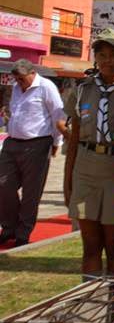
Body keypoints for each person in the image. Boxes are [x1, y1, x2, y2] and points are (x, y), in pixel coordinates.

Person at [63, 30, 114, 277]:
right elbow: (74, 140)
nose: (107, 60)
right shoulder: (83, 90)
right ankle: (91, 302)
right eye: (101, 55)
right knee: (90, 246)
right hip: (85, 169)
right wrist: (68, 182)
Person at [0, 59, 65, 247]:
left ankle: (22, 232)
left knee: (31, 192)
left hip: (37, 144)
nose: (19, 82)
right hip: (12, 142)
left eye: (21, 79)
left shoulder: (46, 87)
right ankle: (8, 226)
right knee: (3, 185)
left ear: (32, 73)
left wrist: (56, 142)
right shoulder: (15, 87)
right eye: (16, 79)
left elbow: (57, 115)